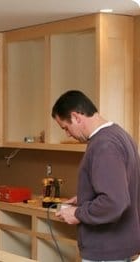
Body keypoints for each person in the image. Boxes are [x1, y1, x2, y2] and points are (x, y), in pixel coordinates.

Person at [51, 90, 140, 262]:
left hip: (106, 252)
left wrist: (78, 213)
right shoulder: (120, 135)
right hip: (121, 246)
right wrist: (85, 197)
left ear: (77, 117)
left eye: (66, 128)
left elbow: (114, 202)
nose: (67, 134)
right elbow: (123, 187)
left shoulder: (104, 145)